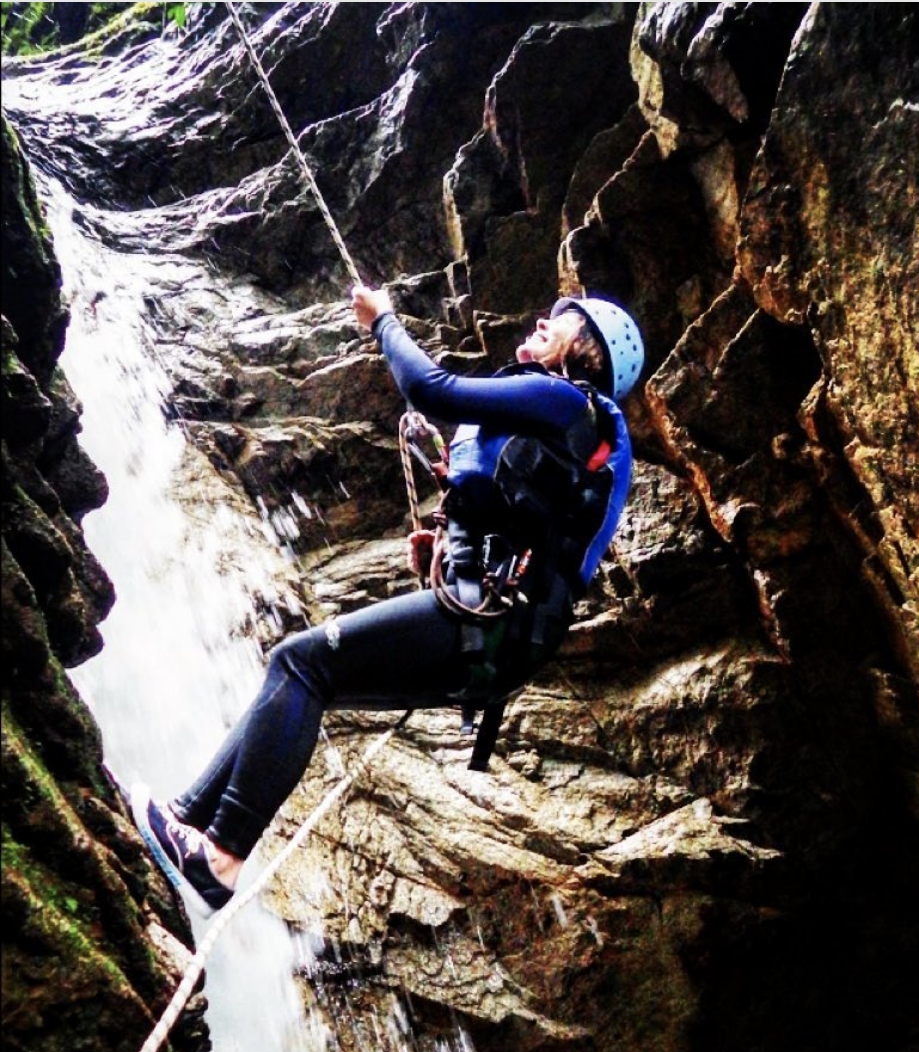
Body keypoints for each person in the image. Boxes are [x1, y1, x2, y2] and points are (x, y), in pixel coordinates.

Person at [130, 285, 642, 911]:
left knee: (299, 663)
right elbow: (528, 527)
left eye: (562, 320)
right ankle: (186, 821)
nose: (542, 316)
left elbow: (433, 390)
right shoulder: (567, 437)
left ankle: (221, 854)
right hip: (494, 645)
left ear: (586, 352)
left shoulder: (564, 401)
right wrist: (452, 553)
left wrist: (384, 323)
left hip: (485, 629)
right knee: (309, 678)